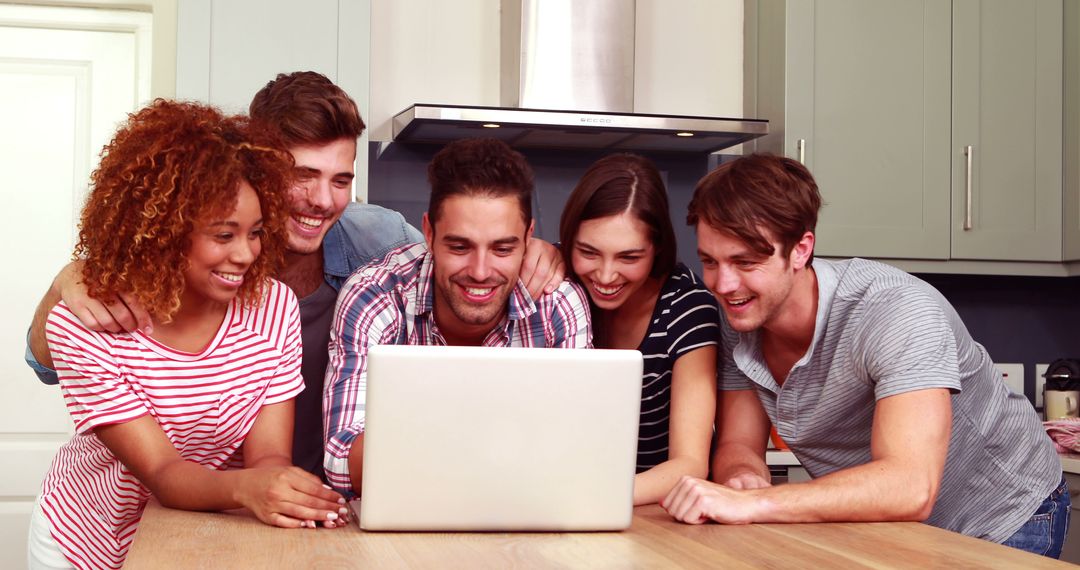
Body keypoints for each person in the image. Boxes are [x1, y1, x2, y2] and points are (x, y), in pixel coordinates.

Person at [24, 71, 566, 480]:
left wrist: (531, 251)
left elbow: (463, 258)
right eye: (302, 175)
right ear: (257, 164)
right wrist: (63, 285)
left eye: (341, 179)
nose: (323, 201)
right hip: (176, 494)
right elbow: (48, 364)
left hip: (298, 490)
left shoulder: (379, 238)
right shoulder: (175, 254)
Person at [661, 153, 1068, 558]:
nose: (724, 283)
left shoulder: (895, 309)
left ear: (801, 249)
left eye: (745, 262)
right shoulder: (742, 317)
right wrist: (741, 479)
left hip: (1005, 516)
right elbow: (738, 443)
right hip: (895, 524)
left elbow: (909, 486)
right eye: (709, 262)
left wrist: (756, 505)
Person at [28, 100, 348, 570]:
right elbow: (162, 472)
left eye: (256, 232)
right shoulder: (87, 323)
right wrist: (246, 488)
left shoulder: (274, 308)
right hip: (85, 539)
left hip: (200, 534)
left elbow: (269, 454)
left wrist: (279, 488)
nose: (245, 255)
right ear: (166, 231)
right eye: (224, 235)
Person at [323, 137, 592, 496]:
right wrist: (502, 443)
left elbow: (579, 457)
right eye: (460, 246)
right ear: (429, 233)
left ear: (528, 238)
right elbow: (341, 464)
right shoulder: (375, 295)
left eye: (502, 248)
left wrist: (425, 440)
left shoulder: (558, 305)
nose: (480, 272)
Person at [557, 154, 718, 505]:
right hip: (562, 501)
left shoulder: (688, 309)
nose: (605, 275)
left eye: (629, 258)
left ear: (657, 248)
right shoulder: (557, 279)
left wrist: (589, 498)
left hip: (655, 513)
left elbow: (689, 464)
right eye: (588, 252)